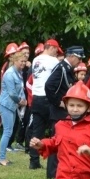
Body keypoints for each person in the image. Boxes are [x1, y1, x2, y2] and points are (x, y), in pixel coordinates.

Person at [44, 45, 83, 179]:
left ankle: (60, 169)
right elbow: (49, 86)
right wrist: (57, 102)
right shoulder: (61, 68)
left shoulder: (67, 68)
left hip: (64, 110)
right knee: (57, 140)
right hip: (58, 111)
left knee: (63, 140)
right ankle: (52, 173)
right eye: (78, 58)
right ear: (71, 56)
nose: (80, 61)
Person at [27, 39, 62, 170]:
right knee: (54, 129)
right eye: (56, 50)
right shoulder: (53, 61)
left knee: (37, 130)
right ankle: (53, 161)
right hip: (48, 98)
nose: (57, 53)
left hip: (36, 98)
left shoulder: (36, 60)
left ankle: (33, 161)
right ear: (51, 48)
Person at [0, 52, 27, 166]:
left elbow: (20, 89)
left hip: (11, 106)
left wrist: (23, 100)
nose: (23, 63)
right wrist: (21, 101)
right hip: (6, 105)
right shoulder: (10, 74)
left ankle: (2, 157)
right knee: (7, 132)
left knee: (8, 131)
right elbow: (12, 93)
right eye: (21, 61)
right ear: (14, 61)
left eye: (24, 61)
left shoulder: (18, 72)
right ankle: (1, 159)